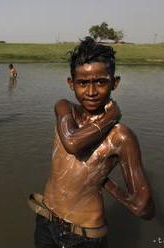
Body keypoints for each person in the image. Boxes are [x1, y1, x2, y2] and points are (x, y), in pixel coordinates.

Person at [29, 37, 154, 248]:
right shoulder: (64, 108)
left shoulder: (121, 137)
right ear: (71, 83)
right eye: (83, 83)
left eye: (101, 82)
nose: (91, 91)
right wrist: (111, 115)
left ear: (115, 82)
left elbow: (144, 208)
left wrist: (107, 183)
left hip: (85, 236)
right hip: (46, 220)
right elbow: (72, 143)